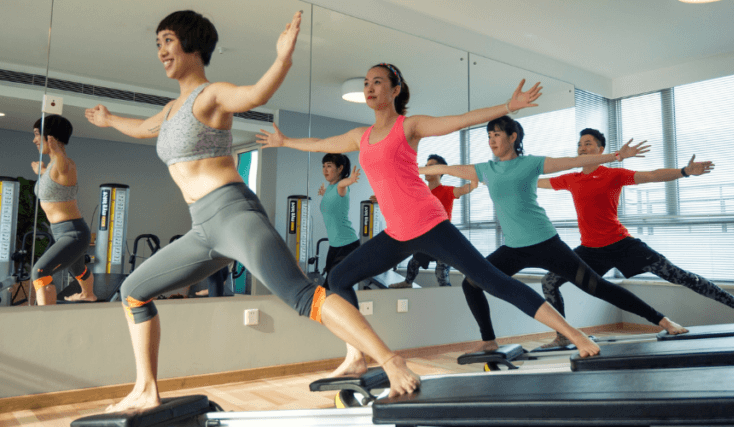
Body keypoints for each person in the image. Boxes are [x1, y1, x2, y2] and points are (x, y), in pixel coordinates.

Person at [85, 10, 419, 412]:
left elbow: (255, 95)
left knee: (301, 295)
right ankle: (145, 389)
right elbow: (141, 129)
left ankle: (389, 359)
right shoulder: (171, 111)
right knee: (134, 293)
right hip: (202, 229)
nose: (162, 51)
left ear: (193, 45)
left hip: (233, 214)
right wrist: (108, 120)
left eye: (168, 40)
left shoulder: (211, 95)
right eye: (158, 43)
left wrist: (282, 59)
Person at [257, 62, 600, 380]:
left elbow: (462, 119)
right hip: (396, 233)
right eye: (366, 83)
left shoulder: (410, 125)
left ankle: (574, 333)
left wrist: (508, 107)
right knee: (338, 277)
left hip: (430, 224)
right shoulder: (360, 136)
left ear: (395, 89)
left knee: (492, 281)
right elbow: (319, 144)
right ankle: (356, 354)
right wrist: (284, 141)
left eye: (377, 82)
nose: (369, 88)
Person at [419, 116, 688, 352]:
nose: (491, 140)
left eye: (497, 134)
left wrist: (615, 156)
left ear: (513, 137)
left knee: (596, 286)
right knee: (471, 282)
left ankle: (663, 321)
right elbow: (440, 169)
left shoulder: (530, 164)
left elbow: (572, 161)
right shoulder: (485, 169)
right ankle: (488, 340)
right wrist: (408, 170)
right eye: (488, 136)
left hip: (546, 243)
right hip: (513, 248)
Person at [535, 128, 734, 343]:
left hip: (622, 245)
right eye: (579, 145)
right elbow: (536, 183)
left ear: (600, 150)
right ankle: (563, 336)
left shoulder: (612, 174)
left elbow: (653, 175)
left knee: (678, 275)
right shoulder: (571, 179)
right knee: (549, 282)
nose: (582, 148)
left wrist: (684, 172)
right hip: (590, 251)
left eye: (588, 144)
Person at [30, 114, 96, 305]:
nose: (34, 140)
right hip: (63, 232)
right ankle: (88, 294)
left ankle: (47, 317)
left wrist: (56, 149)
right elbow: (54, 180)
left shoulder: (63, 163)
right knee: (77, 268)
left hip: (73, 233)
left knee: (40, 271)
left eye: (37, 134)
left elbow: (62, 166)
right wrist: (41, 172)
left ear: (49, 136)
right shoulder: (53, 166)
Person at [389, 154, 478, 288]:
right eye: (426, 165)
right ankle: (408, 283)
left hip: (444, 242)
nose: (426, 168)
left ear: (440, 171)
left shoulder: (447, 191)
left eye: (430, 166)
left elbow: (464, 189)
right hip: (427, 241)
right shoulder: (421, 193)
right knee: (413, 263)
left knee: (441, 275)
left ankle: (447, 296)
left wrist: (473, 182)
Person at [317, 153, 362, 288]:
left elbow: (343, 183)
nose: (325, 170)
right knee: (329, 282)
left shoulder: (341, 186)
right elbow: (333, 203)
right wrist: (325, 193)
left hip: (348, 245)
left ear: (340, 168)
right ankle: (318, 308)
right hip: (335, 245)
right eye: (323, 166)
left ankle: (319, 308)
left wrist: (351, 179)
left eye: (329, 166)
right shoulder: (330, 188)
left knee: (333, 283)